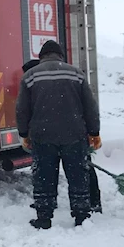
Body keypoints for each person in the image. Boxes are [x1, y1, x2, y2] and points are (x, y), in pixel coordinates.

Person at [16, 40, 100, 229]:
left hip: (42, 135)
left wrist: (24, 133)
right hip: (74, 134)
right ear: (61, 56)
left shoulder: (30, 76)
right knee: (77, 175)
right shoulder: (76, 74)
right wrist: (94, 132)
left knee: (44, 176)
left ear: (41, 57)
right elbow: (90, 106)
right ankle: (81, 216)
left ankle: (44, 217)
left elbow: (22, 109)